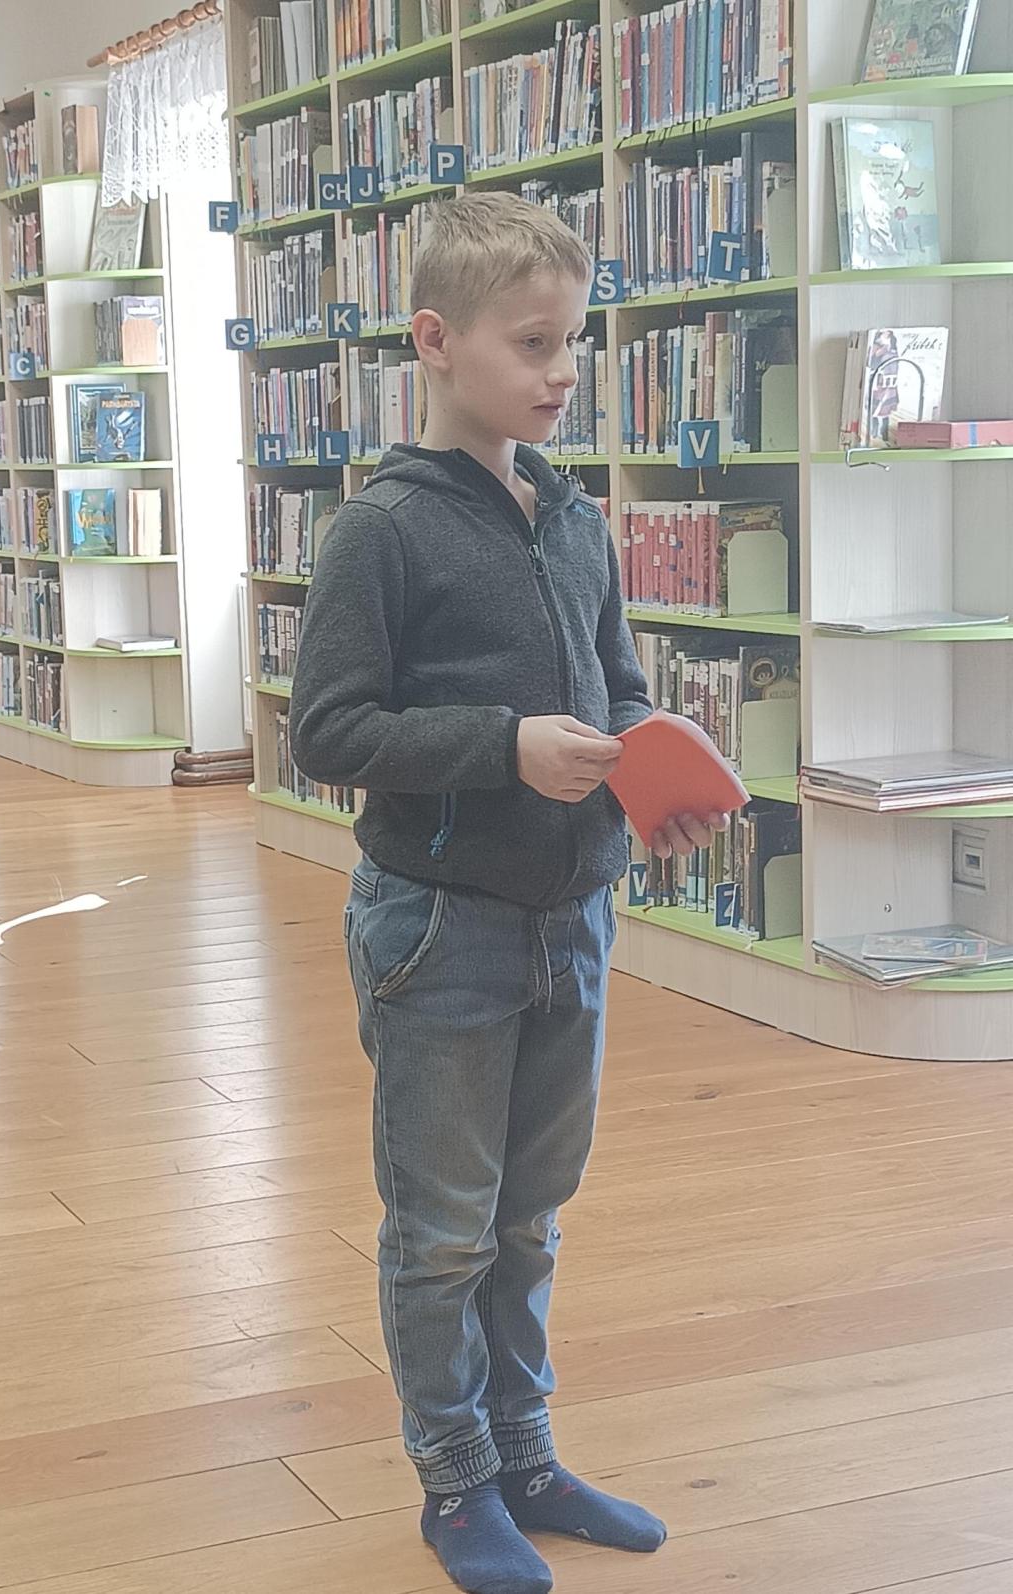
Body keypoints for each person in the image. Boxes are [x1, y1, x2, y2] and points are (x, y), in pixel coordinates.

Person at [290, 191, 725, 1594]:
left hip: (574, 917)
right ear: (435, 341)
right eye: (533, 343)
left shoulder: (577, 517)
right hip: (439, 928)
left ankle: (528, 1455)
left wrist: (650, 779)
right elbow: (329, 732)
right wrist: (503, 747)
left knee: (531, 1215)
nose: (563, 370)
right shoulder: (381, 532)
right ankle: (456, 1479)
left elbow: (621, 689)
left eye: (574, 342)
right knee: (442, 1231)